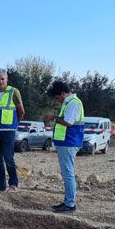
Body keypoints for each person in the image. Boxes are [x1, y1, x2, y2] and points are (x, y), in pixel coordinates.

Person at [44, 80, 85, 213]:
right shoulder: (69, 102)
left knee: (68, 174)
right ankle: (68, 201)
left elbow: (68, 122)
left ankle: (70, 204)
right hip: (66, 142)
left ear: (63, 93)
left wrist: (53, 118)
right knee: (67, 173)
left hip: (69, 142)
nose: (57, 101)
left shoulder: (73, 103)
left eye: (57, 98)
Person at [0, 70, 25, 192]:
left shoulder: (14, 92)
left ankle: (13, 184)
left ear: (6, 79)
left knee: (8, 158)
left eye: (2, 79)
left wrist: (15, 124)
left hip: (8, 130)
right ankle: (0, 185)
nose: (0, 81)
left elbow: (21, 111)